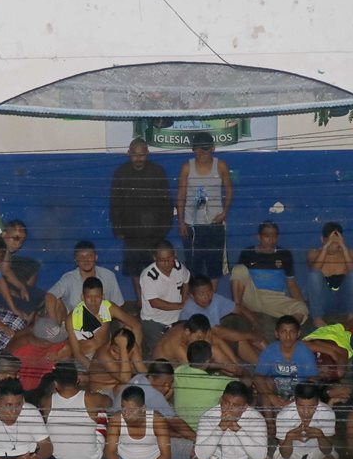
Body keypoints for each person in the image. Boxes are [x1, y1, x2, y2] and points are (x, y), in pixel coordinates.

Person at [111, 138, 173, 303]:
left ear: (148, 154)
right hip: (131, 232)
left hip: (155, 232)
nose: (138, 159)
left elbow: (166, 202)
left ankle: (157, 302)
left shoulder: (157, 172)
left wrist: (164, 228)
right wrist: (118, 229)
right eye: (135, 155)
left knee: (156, 268)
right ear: (128, 153)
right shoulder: (121, 173)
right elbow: (115, 202)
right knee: (135, 271)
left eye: (142, 155)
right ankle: (141, 302)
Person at [176, 132, 233, 282]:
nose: (201, 153)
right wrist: (181, 222)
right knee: (193, 266)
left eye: (205, 149)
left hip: (215, 224)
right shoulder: (187, 167)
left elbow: (229, 190)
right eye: (198, 149)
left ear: (213, 149)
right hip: (192, 225)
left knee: (215, 266)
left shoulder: (220, 165)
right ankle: (195, 301)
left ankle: (211, 299)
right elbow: (181, 195)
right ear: (193, 150)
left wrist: (224, 213)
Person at [230, 221, 309, 326]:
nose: (271, 240)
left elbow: (291, 284)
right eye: (267, 236)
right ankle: (237, 308)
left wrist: (301, 302)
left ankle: (286, 332)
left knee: (302, 308)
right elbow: (239, 278)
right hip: (253, 296)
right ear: (259, 237)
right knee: (238, 269)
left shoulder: (285, 254)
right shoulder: (248, 253)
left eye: (274, 236)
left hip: (274, 299)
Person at [120, 359, 196, 459]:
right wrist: (197, 438)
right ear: (151, 378)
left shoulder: (139, 378)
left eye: (169, 384)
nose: (167, 387)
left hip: (126, 433)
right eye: (164, 384)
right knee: (191, 449)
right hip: (132, 443)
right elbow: (176, 423)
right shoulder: (154, 395)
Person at [41, 363, 111, 459]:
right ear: (77, 380)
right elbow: (109, 402)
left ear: (56, 384)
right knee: (101, 412)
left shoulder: (46, 401)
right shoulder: (92, 398)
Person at [179, 274, 265, 364]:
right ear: (192, 296)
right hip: (198, 347)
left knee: (253, 335)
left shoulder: (215, 298)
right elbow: (218, 331)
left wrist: (256, 325)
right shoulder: (191, 309)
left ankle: (275, 359)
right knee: (241, 339)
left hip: (215, 338)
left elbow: (239, 308)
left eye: (209, 292)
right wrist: (250, 335)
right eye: (201, 294)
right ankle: (263, 367)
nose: (207, 297)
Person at [45, 240, 126, 326]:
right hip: (72, 326)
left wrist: (123, 330)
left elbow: (118, 305)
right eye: (81, 257)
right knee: (56, 302)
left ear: (96, 257)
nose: (86, 260)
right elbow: (49, 296)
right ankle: (56, 334)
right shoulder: (68, 278)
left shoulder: (109, 276)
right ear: (76, 261)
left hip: (101, 326)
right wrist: (53, 325)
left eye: (89, 256)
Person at [65, 277, 142, 366]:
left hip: (107, 352)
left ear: (103, 296)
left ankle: (132, 366)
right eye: (89, 297)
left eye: (97, 296)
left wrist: (137, 356)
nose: (93, 301)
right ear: (82, 297)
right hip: (85, 358)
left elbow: (136, 325)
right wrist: (93, 370)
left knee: (128, 329)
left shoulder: (109, 308)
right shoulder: (71, 318)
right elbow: (77, 353)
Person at [253, 315, 320, 414]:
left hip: (298, 395)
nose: (288, 337)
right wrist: (272, 397)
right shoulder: (270, 350)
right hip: (275, 393)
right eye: (284, 332)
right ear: (277, 334)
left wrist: (297, 400)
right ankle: (270, 426)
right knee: (267, 382)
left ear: (298, 334)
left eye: (292, 332)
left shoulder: (305, 352)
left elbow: (313, 379)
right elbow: (258, 377)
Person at [304, 222, 353, 327]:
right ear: (322, 239)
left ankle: (351, 318)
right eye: (329, 242)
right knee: (314, 275)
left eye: (336, 242)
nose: (333, 246)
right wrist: (325, 248)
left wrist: (344, 248)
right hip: (325, 302)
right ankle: (317, 319)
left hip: (344, 300)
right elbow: (314, 270)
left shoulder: (351, 254)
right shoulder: (313, 254)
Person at [152, 314, 244, 376]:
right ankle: (232, 375)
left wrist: (235, 362)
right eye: (199, 337)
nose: (201, 340)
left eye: (203, 337)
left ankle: (236, 374)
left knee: (215, 350)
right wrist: (222, 366)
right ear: (187, 332)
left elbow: (218, 341)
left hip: (187, 362)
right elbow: (196, 367)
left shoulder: (192, 328)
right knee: (213, 355)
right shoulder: (177, 345)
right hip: (167, 372)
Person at [139, 240, 191, 349]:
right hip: (154, 321)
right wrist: (181, 306)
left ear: (175, 254)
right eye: (162, 260)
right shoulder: (148, 276)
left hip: (176, 318)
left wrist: (184, 300)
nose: (167, 263)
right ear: (154, 258)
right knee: (162, 351)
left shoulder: (179, 267)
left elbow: (186, 280)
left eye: (170, 259)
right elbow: (155, 303)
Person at [173, 340, 233, 431]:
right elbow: (242, 383)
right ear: (209, 360)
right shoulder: (220, 382)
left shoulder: (180, 371)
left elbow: (191, 365)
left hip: (182, 428)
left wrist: (220, 366)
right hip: (204, 431)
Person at [0, 220, 44, 316]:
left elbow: (6, 271)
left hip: (0, 283)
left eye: (21, 241)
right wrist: (9, 291)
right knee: (28, 311)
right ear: (4, 234)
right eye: (15, 238)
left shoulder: (5, 249)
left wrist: (22, 287)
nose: (18, 244)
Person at [87, 327, 147, 396]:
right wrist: (122, 348)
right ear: (111, 344)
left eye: (122, 353)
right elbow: (125, 379)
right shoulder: (103, 355)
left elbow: (142, 370)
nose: (118, 357)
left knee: (142, 382)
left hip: (118, 385)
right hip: (102, 392)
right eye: (114, 351)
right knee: (130, 387)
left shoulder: (132, 346)